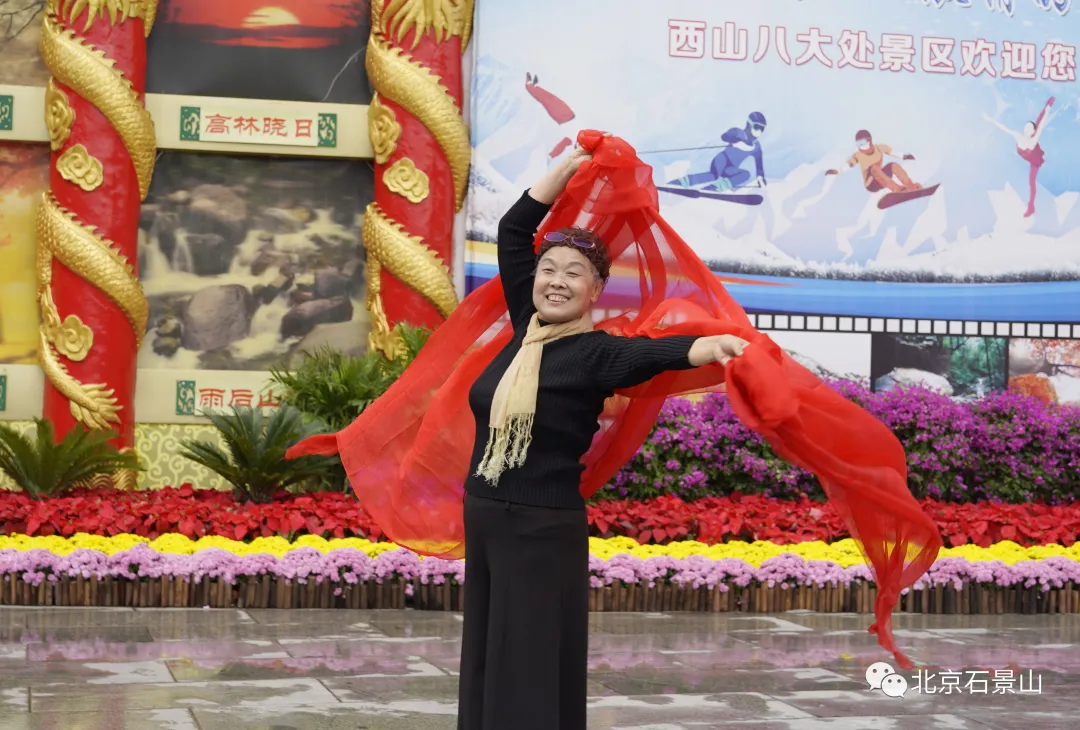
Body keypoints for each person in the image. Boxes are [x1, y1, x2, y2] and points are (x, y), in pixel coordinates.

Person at [458, 144, 749, 730]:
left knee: (531, 663)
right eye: (549, 270)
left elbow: (661, 353)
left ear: (596, 292)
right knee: (488, 657)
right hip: (486, 515)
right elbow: (516, 230)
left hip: (542, 527)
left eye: (574, 275)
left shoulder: (598, 352)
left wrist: (713, 347)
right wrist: (562, 173)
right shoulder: (525, 329)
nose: (556, 283)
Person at [983, 97, 1056, 217]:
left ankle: (1031, 206)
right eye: (1025, 127)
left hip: (1035, 158)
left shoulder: (1033, 139)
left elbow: (1040, 124)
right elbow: (1004, 128)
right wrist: (989, 120)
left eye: (1029, 128)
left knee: (1031, 182)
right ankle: (1046, 106)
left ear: (1032, 131)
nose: (1026, 129)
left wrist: (1048, 109)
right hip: (1022, 155)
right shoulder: (1018, 136)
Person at [668, 112, 768, 191]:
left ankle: (714, 188)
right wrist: (735, 139)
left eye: (762, 129)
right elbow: (724, 137)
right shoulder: (739, 133)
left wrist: (760, 178)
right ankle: (681, 182)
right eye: (757, 127)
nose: (759, 131)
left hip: (731, 169)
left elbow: (759, 166)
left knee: (746, 174)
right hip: (722, 160)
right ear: (749, 124)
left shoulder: (756, 147)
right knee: (713, 175)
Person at [826, 129, 921, 194]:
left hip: (882, 179)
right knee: (874, 168)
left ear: (869, 140)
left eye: (862, 142)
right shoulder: (858, 155)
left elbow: (891, 152)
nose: (860, 146)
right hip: (871, 184)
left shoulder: (879, 148)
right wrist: (838, 171)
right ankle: (898, 190)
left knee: (893, 165)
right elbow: (849, 164)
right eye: (858, 143)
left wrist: (904, 156)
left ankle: (911, 187)